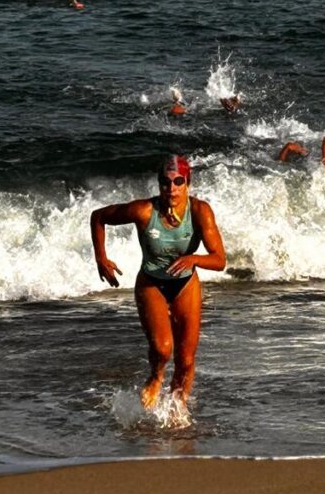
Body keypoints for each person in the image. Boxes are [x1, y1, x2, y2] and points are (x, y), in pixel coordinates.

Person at [90, 155, 226, 410]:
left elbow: (219, 260)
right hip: (152, 282)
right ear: (159, 183)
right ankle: (156, 376)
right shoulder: (143, 211)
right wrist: (101, 258)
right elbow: (98, 217)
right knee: (163, 349)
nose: (171, 188)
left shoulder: (199, 211)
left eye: (178, 181)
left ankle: (178, 409)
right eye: (165, 182)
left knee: (185, 359)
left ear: (187, 183)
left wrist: (193, 259)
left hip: (185, 284)